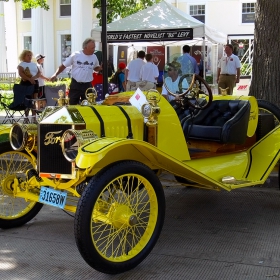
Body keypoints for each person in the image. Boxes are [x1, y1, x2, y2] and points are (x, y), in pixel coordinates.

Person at [50, 38, 102, 105]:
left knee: (88, 105)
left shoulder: (94, 57)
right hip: (76, 84)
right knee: (72, 104)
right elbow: (63, 65)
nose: (94, 50)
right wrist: (55, 74)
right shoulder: (76, 55)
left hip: (87, 85)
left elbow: (95, 68)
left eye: (94, 47)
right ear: (85, 47)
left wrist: (99, 68)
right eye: (92, 48)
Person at [17, 49, 41, 121]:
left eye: (30, 55)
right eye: (28, 55)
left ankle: (34, 117)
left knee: (34, 100)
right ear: (24, 56)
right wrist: (29, 79)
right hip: (26, 83)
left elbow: (39, 73)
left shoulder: (34, 64)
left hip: (35, 82)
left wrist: (33, 78)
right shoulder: (21, 64)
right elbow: (21, 73)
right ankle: (26, 117)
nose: (30, 56)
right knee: (27, 100)